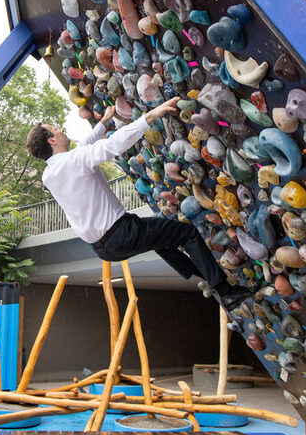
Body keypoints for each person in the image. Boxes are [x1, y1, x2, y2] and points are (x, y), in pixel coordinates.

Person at [26, 97, 252, 314]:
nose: (61, 129)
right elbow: (113, 145)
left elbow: (81, 149)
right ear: (52, 141)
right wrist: (152, 114)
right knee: (188, 234)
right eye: (56, 129)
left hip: (104, 249)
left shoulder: (50, 174)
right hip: (122, 233)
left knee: (162, 242)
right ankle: (225, 291)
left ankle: (203, 276)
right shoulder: (73, 161)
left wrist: (103, 123)